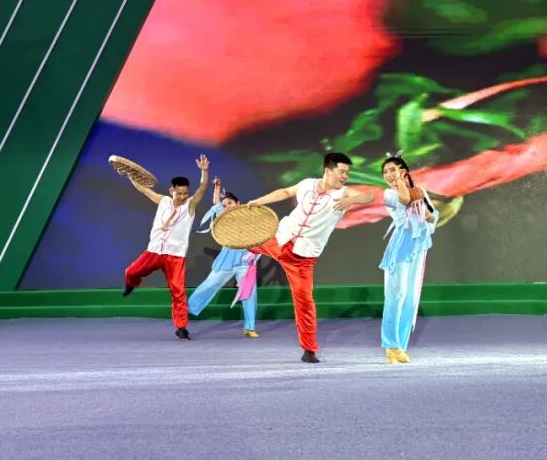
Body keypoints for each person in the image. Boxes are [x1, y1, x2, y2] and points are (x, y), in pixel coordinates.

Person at [247, 152, 374, 363]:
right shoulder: (307, 184)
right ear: (328, 170)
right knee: (245, 241)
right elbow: (286, 191)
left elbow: (369, 197)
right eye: (342, 171)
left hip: (302, 258)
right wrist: (259, 201)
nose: (345, 176)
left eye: (347, 173)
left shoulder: (343, 193)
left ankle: (309, 350)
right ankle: (240, 255)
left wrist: (351, 200)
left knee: (304, 302)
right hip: (280, 239)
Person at [122, 155, 210, 341]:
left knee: (178, 291)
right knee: (131, 272)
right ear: (171, 191)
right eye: (179, 193)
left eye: (185, 193)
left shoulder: (190, 206)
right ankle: (131, 284)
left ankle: (181, 327)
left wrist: (204, 171)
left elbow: (202, 188)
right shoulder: (163, 201)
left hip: (175, 256)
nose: (183, 196)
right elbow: (144, 189)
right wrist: (130, 175)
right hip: (154, 251)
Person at [378, 154, 438, 364]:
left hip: (419, 246)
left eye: (392, 170)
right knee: (397, 295)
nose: (388, 175)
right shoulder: (388, 194)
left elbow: (433, 216)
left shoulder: (420, 191)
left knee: (411, 298)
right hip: (401, 246)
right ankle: (391, 345)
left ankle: (400, 346)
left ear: (404, 171)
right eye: (385, 172)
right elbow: (404, 199)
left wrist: (427, 213)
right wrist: (400, 180)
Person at [187, 178, 260, 338]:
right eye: (225, 204)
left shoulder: (250, 219)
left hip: (245, 262)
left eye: (230, 203)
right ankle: (185, 309)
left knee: (249, 293)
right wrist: (218, 187)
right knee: (209, 284)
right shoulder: (224, 217)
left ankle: (250, 327)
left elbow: (260, 238)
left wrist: (254, 253)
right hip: (227, 259)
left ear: (238, 203)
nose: (227, 206)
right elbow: (217, 203)